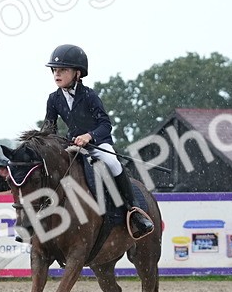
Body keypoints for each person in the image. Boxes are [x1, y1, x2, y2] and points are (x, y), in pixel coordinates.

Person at [42, 43, 153, 238]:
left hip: (97, 143)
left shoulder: (90, 96)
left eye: (63, 70)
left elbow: (105, 125)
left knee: (112, 162)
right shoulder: (53, 99)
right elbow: (49, 127)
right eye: (55, 70)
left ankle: (132, 209)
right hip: (73, 145)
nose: (57, 74)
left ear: (77, 73)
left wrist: (89, 136)